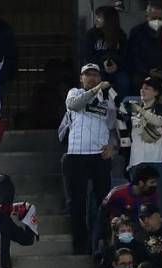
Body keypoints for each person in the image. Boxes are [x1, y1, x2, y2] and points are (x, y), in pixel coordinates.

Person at [63, 63, 118, 254]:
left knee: (104, 202)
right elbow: (73, 105)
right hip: (76, 155)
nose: (92, 77)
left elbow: (113, 127)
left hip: (99, 156)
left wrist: (112, 146)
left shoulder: (108, 100)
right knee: (76, 203)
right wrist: (96, 90)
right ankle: (80, 245)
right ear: (81, 78)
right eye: (88, 74)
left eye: (95, 75)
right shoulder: (74, 92)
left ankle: (102, 242)